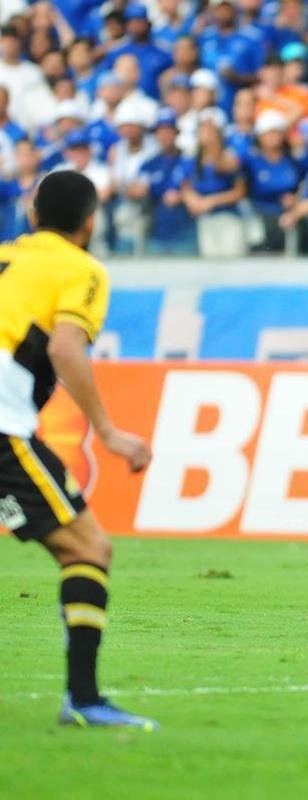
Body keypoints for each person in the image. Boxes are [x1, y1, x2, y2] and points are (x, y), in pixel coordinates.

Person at [0, 171, 156, 728]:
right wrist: (109, 432)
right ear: (90, 222)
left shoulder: (7, 256)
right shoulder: (81, 269)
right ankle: (84, 700)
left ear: (33, 212)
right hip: (3, 425)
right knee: (88, 548)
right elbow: (67, 346)